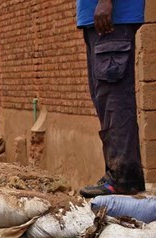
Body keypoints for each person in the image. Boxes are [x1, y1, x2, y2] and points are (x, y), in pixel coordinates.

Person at [77, 0, 146, 197]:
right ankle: (118, 176)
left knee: (115, 100)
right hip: (99, 20)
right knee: (106, 100)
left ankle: (123, 178)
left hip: (110, 18)